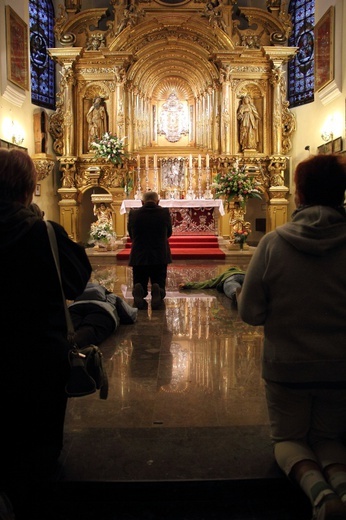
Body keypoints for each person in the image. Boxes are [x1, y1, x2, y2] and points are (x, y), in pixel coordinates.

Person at [237, 154, 346, 520]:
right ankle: (343, 490)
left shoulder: (273, 243)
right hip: (341, 365)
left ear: (298, 195)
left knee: (288, 440)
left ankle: (319, 495)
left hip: (287, 366)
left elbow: (250, 313)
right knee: (329, 437)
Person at [0, 149, 92, 519]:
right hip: (38, 350)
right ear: (30, 188)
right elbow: (76, 279)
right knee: (40, 441)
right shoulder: (42, 231)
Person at [127, 191, 172, 310]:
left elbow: (131, 234)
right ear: (158, 201)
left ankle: (139, 290)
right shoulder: (164, 213)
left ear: (142, 202)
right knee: (159, 277)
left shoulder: (134, 213)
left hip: (139, 253)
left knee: (139, 277)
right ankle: (158, 289)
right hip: (159, 253)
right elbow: (169, 233)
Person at [68, 282, 138, 347]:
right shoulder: (111, 296)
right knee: (90, 331)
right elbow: (129, 315)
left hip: (75, 307)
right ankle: (75, 343)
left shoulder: (76, 299)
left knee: (69, 329)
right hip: (101, 309)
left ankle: (67, 343)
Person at [179, 266, 245, 306]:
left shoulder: (226, 274)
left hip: (230, 278)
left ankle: (236, 295)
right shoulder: (243, 272)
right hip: (246, 277)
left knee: (230, 284)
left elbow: (207, 283)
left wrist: (187, 285)